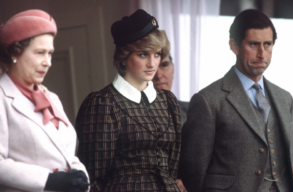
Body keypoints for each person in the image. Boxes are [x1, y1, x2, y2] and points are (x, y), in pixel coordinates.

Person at [179, 9, 293, 192]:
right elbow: (192, 172)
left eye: (268, 44)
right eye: (253, 44)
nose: (262, 54)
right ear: (234, 46)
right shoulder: (208, 100)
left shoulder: (285, 98)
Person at [75, 9, 181, 192]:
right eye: (143, 55)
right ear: (124, 58)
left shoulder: (168, 101)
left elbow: (172, 166)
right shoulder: (103, 103)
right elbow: (93, 178)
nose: (152, 63)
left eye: (156, 54)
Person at [0, 9, 89, 192]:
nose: (48, 61)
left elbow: (66, 153)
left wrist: (80, 175)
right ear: (14, 53)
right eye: (40, 53)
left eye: (50, 53)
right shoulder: (2, 97)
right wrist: (48, 180)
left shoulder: (51, 97)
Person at [153, 55, 189, 126]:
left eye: (164, 65)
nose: (158, 75)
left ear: (172, 69)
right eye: (151, 68)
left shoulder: (192, 110)